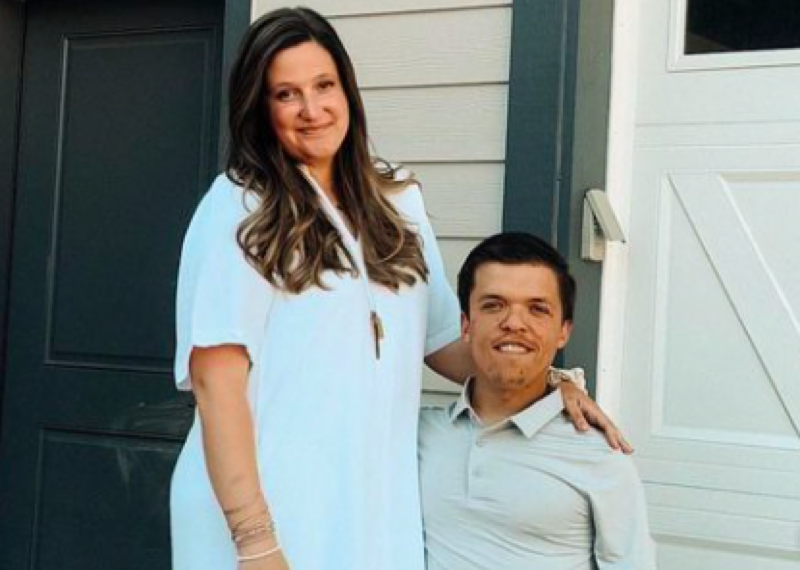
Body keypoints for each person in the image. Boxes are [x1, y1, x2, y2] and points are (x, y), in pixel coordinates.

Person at [169, 8, 627, 570]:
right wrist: (255, 539)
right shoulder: (240, 207)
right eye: (286, 94)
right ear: (259, 109)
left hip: (373, 508)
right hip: (265, 512)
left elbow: (444, 345)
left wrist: (548, 381)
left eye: (324, 85)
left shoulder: (397, 199)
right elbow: (216, 384)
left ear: (347, 89)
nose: (312, 109)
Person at [419, 232, 656, 570]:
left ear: (564, 331)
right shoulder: (417, 437)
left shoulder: (600, 457)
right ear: (466, 325)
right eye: (494, 305)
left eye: (537, 309)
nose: (514, 323)